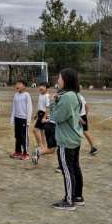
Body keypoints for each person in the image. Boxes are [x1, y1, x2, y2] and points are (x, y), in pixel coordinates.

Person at [50, 68, 84, 211]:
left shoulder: (67, 96)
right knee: (75, 167)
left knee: (68, 170)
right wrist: (58, 99)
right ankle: (77, 197)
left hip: (66, 139)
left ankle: (69, 201)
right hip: (74, 137)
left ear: (66, 80)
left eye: (59, 78)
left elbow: (56, 117)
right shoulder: (74, 95)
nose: (58, 80)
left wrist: (53, 102)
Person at [10, 79, 32, 160]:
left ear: (24, 86)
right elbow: (14, 107)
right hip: (17, 118)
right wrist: (12, 119)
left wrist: (28, 121)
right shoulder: (16, 95)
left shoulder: (27, 95)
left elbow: (29, 108)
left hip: (24, 119)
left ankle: (26, 153)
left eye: (19, 84)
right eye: (17, 84)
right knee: (17, 136)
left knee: (24, 136)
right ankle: (18, 151)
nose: (17, 85)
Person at [33, 82, 50, 150]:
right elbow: (40, 106)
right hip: (40, 113)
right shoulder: (40, 95)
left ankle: (41, 146)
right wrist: (36, 114)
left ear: (47, 88)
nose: (41, 87)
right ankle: (45, 146)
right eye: (40, 86)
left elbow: (48, 108)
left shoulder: (47, 96)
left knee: (35, 130)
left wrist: (44, 117)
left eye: (43, 86)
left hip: (44, 114)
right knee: (42, 132)